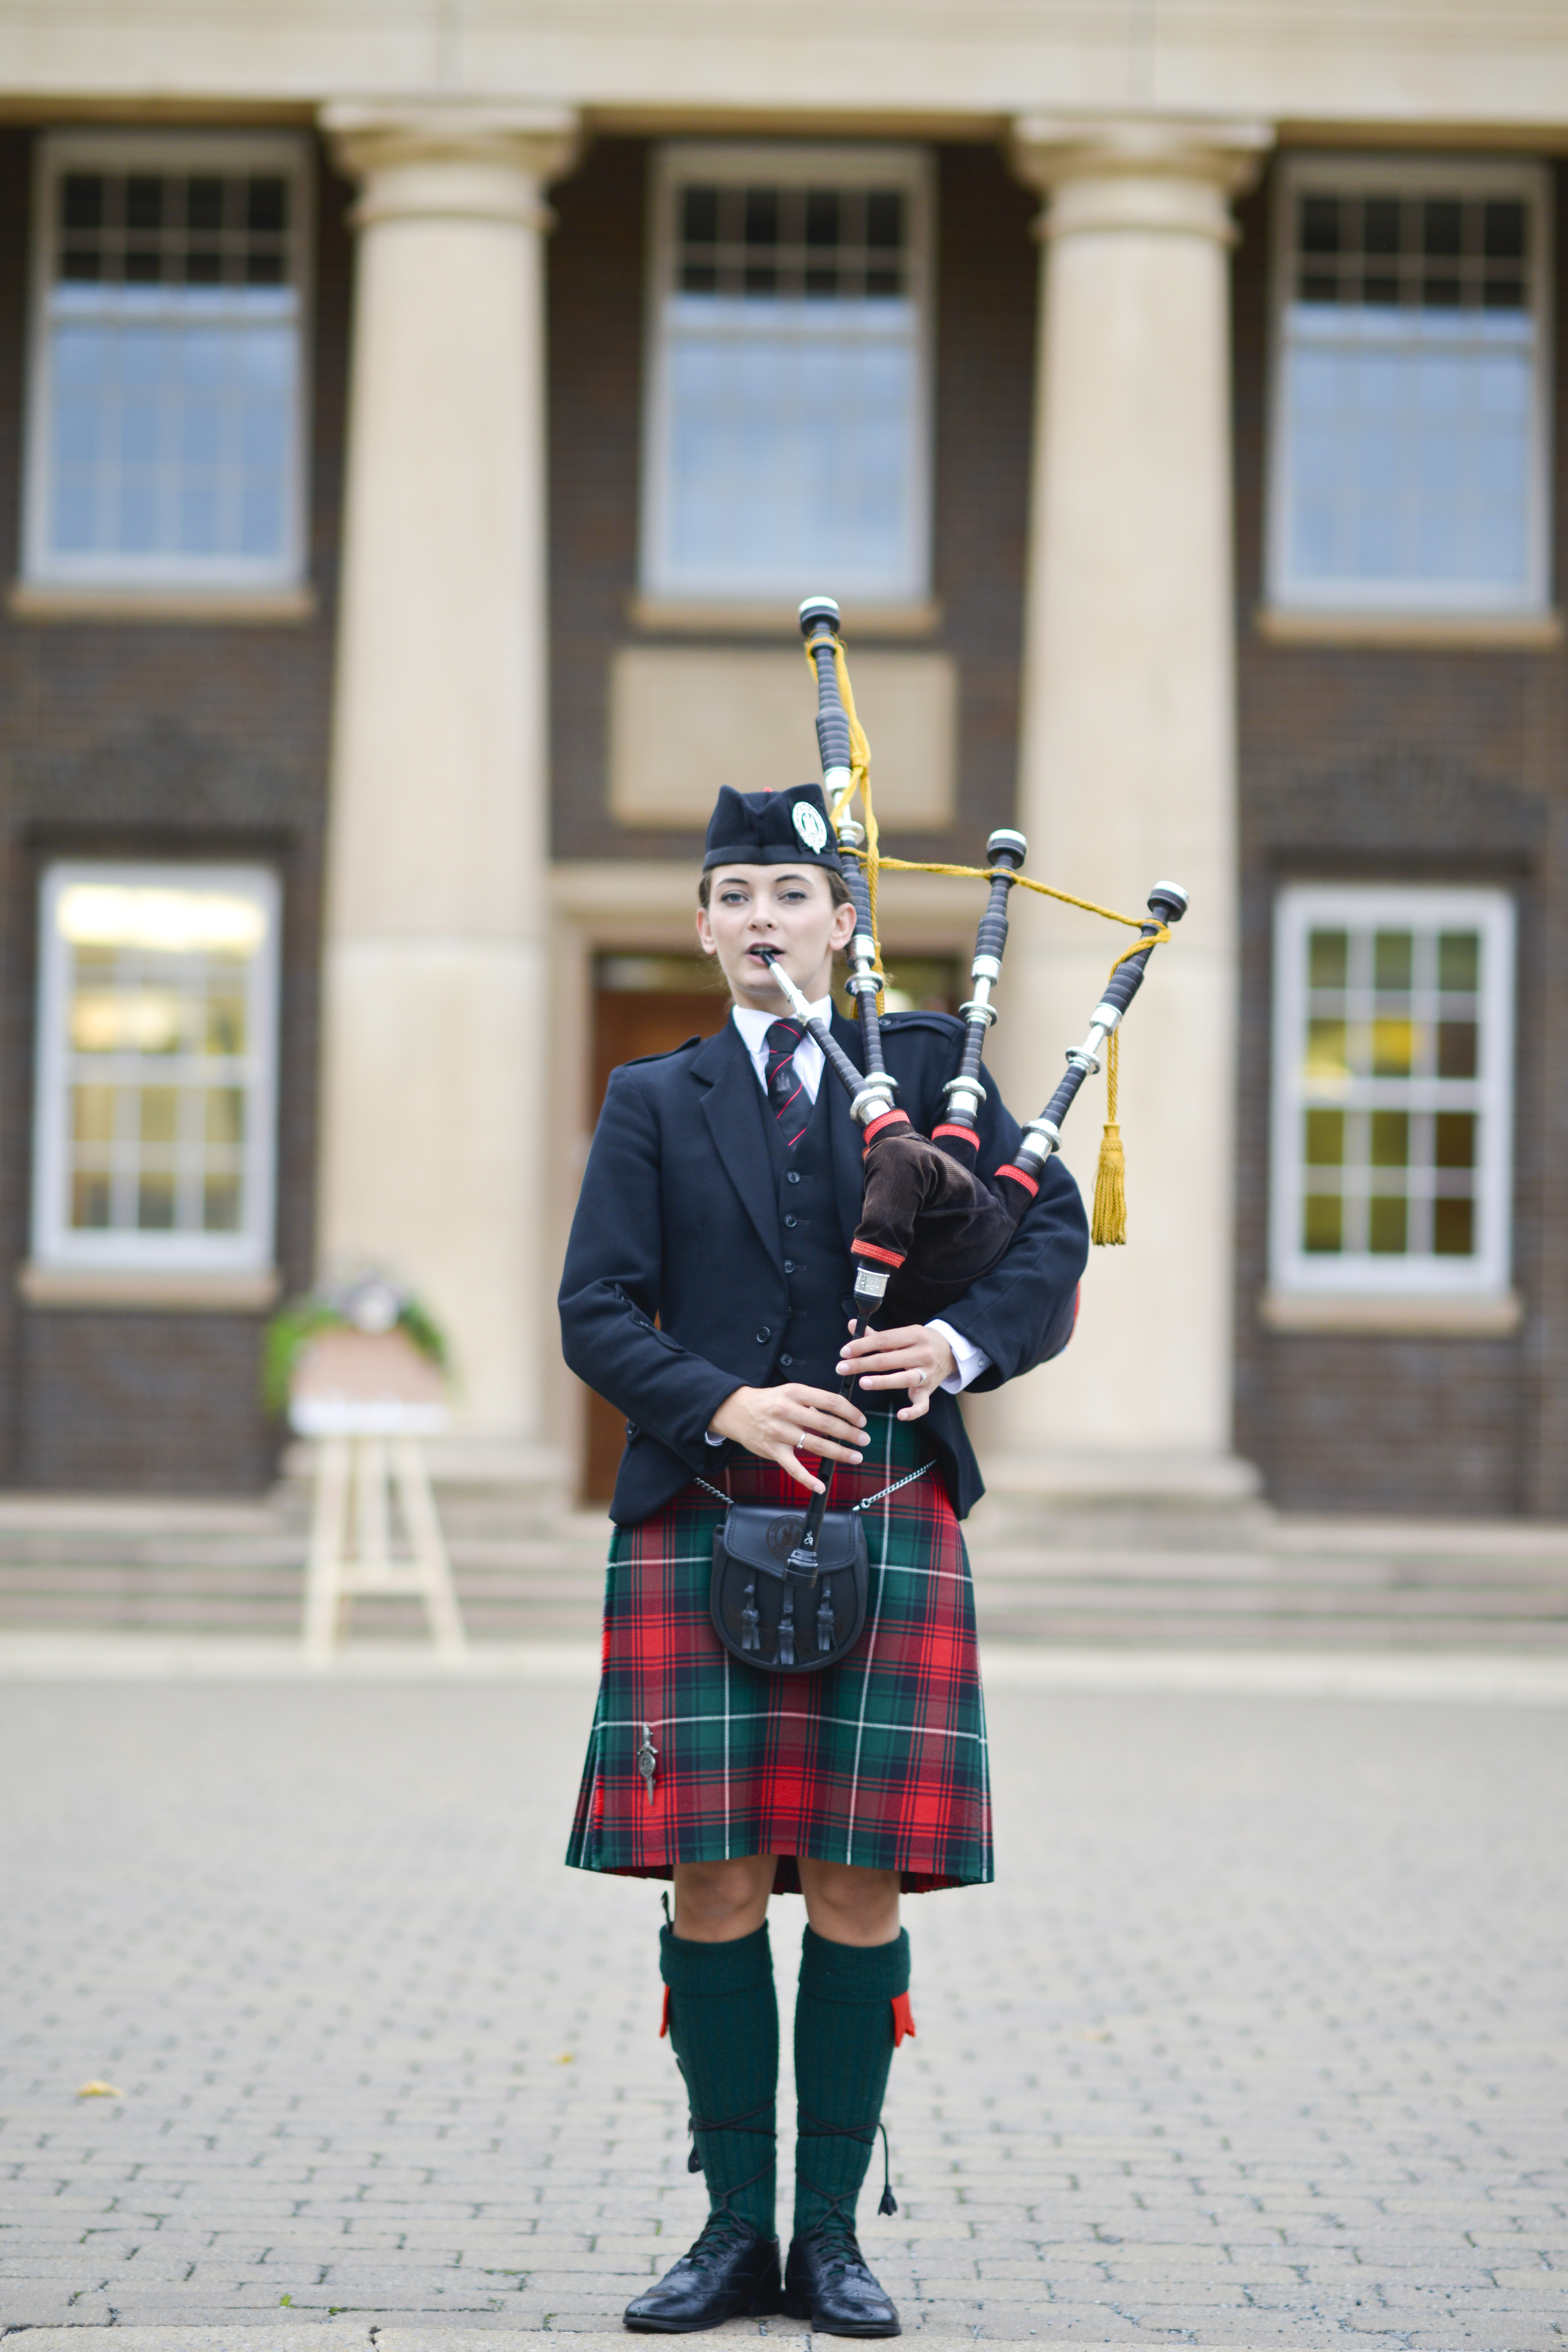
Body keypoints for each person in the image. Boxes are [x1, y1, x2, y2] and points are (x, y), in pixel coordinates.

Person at [560, 782, 1088, 2336]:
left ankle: (834, 2241)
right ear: (704, 926)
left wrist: (967, 1341)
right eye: (735, 894)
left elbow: (1046, 1240)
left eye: (794, 890)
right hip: (706, 1505)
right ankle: (732, 2231)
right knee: (715, 1874)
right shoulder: (655, 1099)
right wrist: (719, 1396)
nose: (764, 918)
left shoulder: (928, 1067)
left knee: (858, 1877)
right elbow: (597, 1309)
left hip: (890, 1503)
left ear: (845, 921)